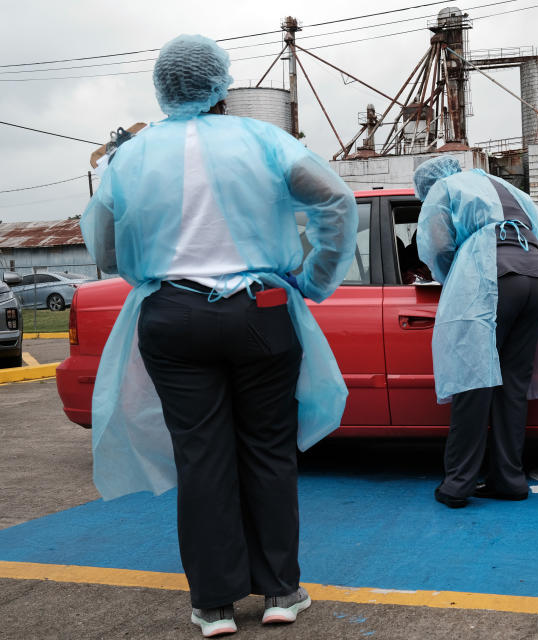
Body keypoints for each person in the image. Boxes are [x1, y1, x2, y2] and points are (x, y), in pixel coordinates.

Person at [80, 34, 358, 637]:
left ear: (163, 87)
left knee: (201, 457)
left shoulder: (130, 156)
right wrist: (313, 278)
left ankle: (213, 604)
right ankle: (282, 591)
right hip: (260, 310)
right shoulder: (263, 140)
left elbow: (102, 239)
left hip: (171, 316)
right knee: (267, 450)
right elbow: (335, 198)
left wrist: (141, 265)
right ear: (220, 86)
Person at [413, 156, 538, 509]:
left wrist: (451, 276)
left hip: (490, 274)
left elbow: (438, 245)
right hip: (536, 276)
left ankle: (457, 485)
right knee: (512, 385)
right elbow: (536, 232)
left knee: (473, 380)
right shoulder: (504, 186)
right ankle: (509, 480)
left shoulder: (444, 188)